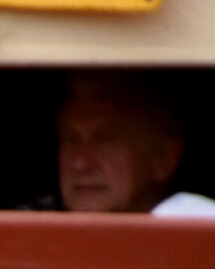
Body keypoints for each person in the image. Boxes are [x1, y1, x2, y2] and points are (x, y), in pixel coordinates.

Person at [56, 71, 215, 217]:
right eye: (70, 139)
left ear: (163, 157)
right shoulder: (33, 234)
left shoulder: (202, 233)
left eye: (106, 140)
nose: (80, 163)